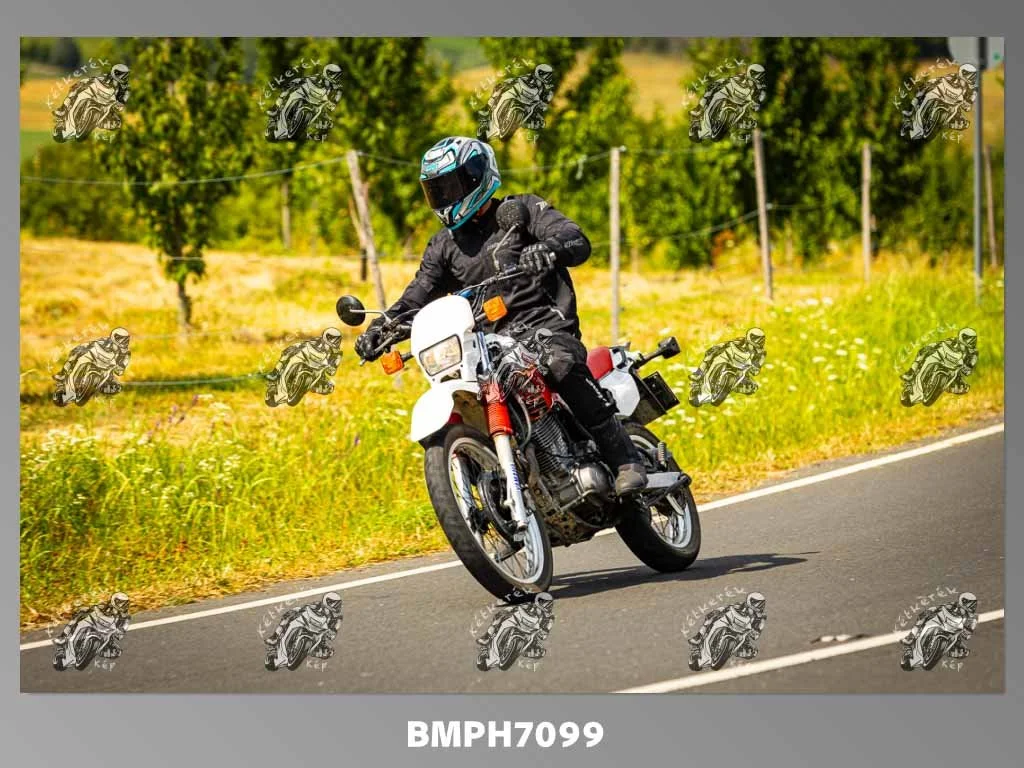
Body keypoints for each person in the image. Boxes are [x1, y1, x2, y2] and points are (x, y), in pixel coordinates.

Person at [354, 136, 647, 495]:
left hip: (546, 325)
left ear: (477, 176)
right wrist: (382, 326)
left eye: (452, 186)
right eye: (437, 191)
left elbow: (575, 238)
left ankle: (625, 459)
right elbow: (418, 293)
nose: (445, 198)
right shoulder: (445, 245)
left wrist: (549, 248)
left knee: (559, 363)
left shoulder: (520, 211)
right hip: (487, 345)